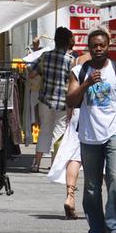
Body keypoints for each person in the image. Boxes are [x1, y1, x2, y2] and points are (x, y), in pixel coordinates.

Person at [65, 28, 116, 233]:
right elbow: (70, 100)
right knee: (91, 186)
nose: (98, 49)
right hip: (89, 135)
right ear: (88, 47)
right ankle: (96, 229)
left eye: (102, 45)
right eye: (94, 46)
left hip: (115, 132)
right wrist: (87, 83)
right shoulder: (79, 71)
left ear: (108, 46)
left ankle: (115, 228)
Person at [47, 50, 91, 220]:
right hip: (96, 114)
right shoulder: (105, 63)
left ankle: (70, 196)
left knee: (74, 156)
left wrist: (69, 113)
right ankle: (101, 201)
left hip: (77, 113)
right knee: (101, 159)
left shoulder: (78, 61)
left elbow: (71, 93)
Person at [29, 27, 76, 172]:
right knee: (59, 131)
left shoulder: (45, 56)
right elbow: (74, 82)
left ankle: (36, 163)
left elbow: (31, 73)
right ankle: (54, 165)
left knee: (45, 130)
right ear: (68, 41)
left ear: (55, 40)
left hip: (45, 99)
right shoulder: (71, 61)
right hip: (63, 102)